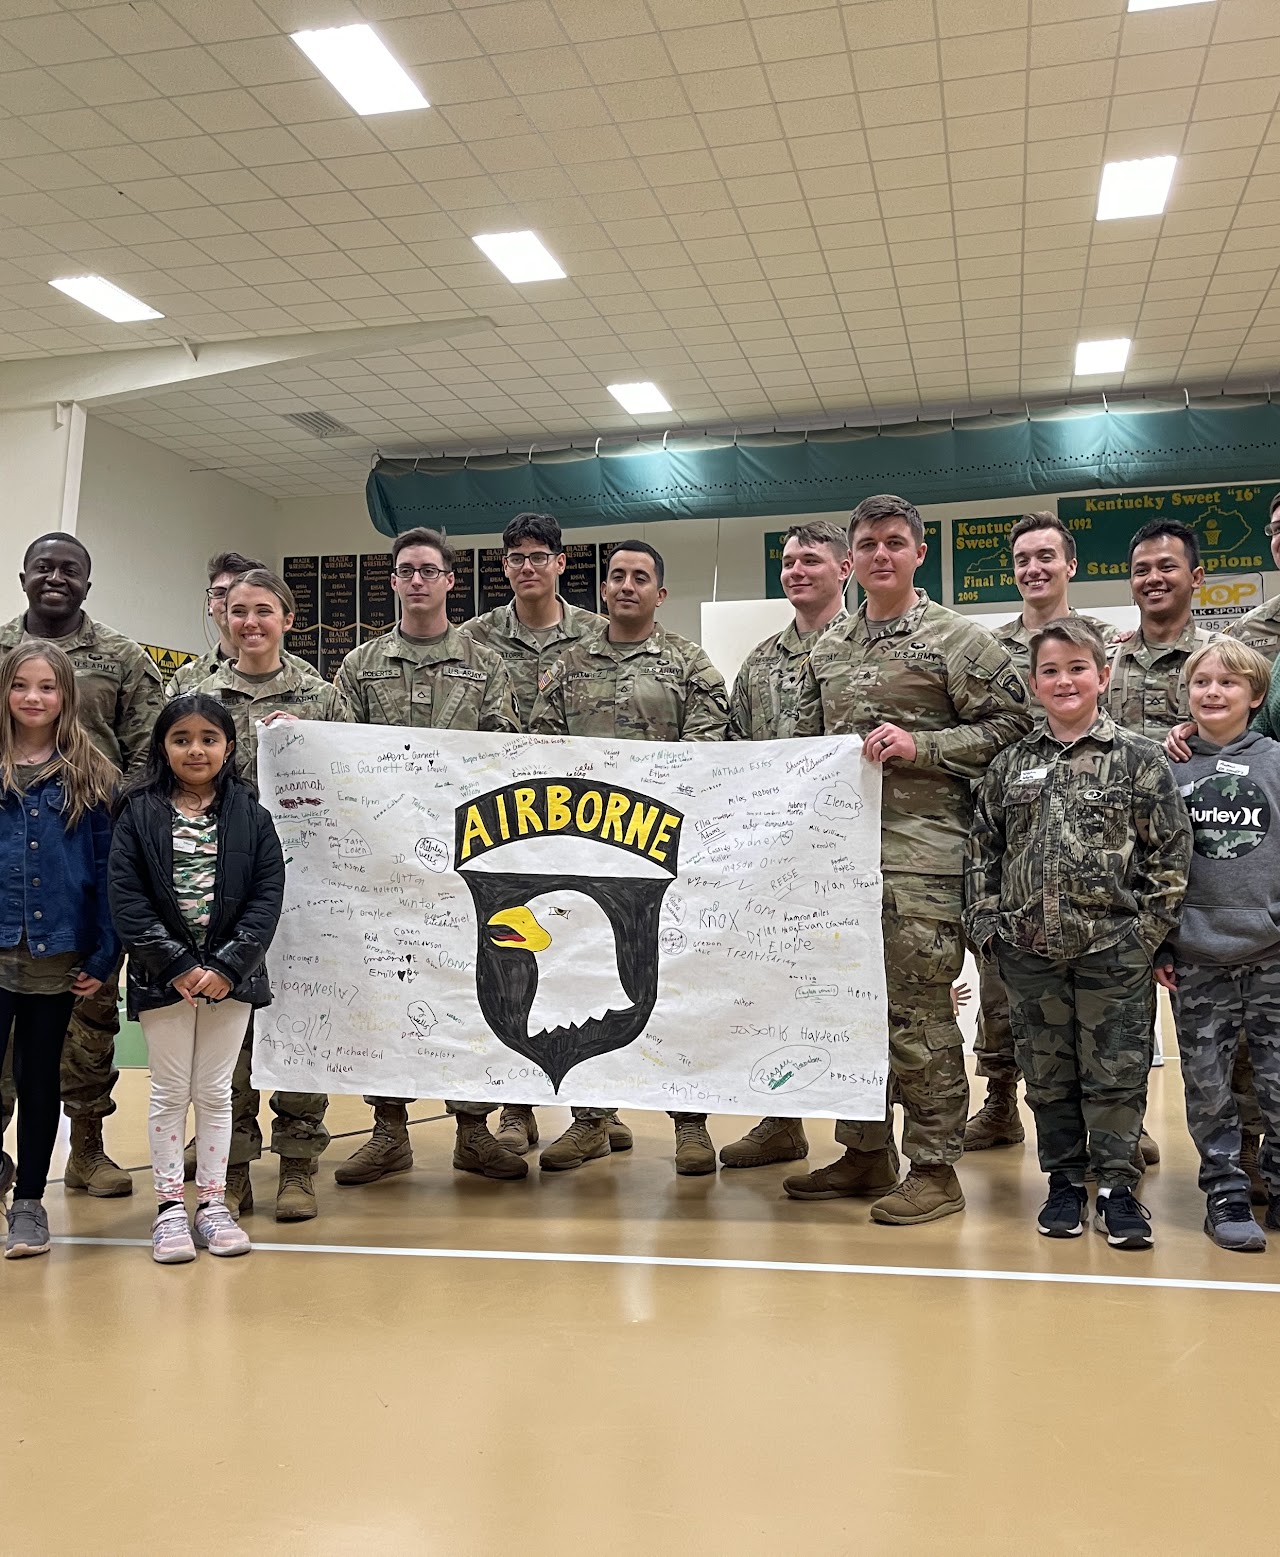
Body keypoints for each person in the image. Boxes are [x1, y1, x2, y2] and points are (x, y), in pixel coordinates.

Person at [785, 494, 1032, 1225]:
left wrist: (924, 745)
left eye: (895, 542)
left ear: (920, 553)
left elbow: (1014, 725)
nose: (880, 555)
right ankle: (865, 1150)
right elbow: (806, 751)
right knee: (849, 1013)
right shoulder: (827, 649)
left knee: (918, 1016)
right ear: (851, 558)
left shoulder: (959, 641)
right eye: (867, 543)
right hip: (841, 863)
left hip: (925, 861)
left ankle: (934, 1166)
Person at [968, 617, 1190, 1246]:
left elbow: (1169, 853)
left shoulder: (1140, 760)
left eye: (1076, 668)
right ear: (1033, 682)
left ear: (1102, 675)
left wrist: (1145, 935)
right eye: (1049, 671)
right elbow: (983, 850)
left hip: (1112, 950)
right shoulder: (1010, 765)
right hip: (1029, 951)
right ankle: (1064, 1181)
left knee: (1115, 1071)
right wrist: (990, 929)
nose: (1063, 680)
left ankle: (1119, 1188)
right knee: (1048, 1074)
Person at [334, 527, 529, 1186]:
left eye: (429, 570)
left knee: (470, 988)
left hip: (466, 858)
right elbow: (340, 758)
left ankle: (473, 1128)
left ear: (450, 581)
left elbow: (507, 755)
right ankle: (388, 1127)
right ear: (392, 581)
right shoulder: (360, 667)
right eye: (406, 570)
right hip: (385, 862)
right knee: (389, 987)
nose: (417, 580)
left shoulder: (487, 665)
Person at [530, 539, 731, 1174]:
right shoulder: (564, 668)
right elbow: (537, 748)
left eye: (640, 577)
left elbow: (707, 752)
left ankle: (690, 1123)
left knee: (671, 986)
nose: (625, 586)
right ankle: (590, 1119)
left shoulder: (689, 665)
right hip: (584, 856)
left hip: (662, 856)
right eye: (616, 576)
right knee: (588, 985)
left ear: (660, 593)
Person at [0, 532, 163, 1199]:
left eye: (70, 569)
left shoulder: (124, 658)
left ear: (87, 585)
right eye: (44, 566)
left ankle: (88, 1145)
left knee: (89, 1016)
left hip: (86, 859)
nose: (56, 577)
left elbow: (150, 752)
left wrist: (99, 800)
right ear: (24, 577)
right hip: (10, 856)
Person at [191, 568, 354, 1223]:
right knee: (226, 1034)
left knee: (299, 1027)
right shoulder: (197, 693)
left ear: (288, 618)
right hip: (220, 891)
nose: (250, 622)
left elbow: (352, 789)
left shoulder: (323, 697)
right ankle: (230, 1172)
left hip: (304, 889)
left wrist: (308, 744)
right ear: (223, 617)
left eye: (263, 610)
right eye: (238, 611)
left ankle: (297, 1165)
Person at [109, 695, 285, 1264]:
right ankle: (168, 1210)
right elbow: (127, 899)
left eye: (209, 738)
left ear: (229, 748)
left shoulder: (252, 815)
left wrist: (227, 967)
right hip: (165, 979)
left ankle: (212, 1203)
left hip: (230, 980)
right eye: (181, 738)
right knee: (167, 1093)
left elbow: (267, 896)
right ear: (163, 747)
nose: (195, 749)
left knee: (215, 1092)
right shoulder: (137, 812)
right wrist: (179, 966)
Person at [966, 513, 1119, 1155]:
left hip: (1094, 843)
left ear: (1070, 565)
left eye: (1047, 557)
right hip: (1017, 833)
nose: (1034, 568)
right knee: (1003, 986)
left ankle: (1112, 1123)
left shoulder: (1111, 642)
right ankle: (1002, 1103)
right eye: (1023, 558)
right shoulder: (989, 648)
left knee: (1100, 1003)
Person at [463, 512, 603, 1157]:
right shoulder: (475, 641)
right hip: (507, 826)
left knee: (582, 965)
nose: (527, 567)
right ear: (505, 565)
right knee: (518, 962)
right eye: (515, 557)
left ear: (561, 562)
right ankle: (517, 1108)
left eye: (538, 556)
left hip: (590, 821)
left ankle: (594, 1107)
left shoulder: (599, 637)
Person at [719, 519, 851, 1170]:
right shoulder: (760, 664)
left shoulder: (866, 649)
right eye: (788, 561)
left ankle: (869, 1143)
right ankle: (782, 1118)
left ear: (845, 569)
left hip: (852, 861)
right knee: (776, 990)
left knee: (853, 998)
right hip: (776, 862)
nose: (796, 570)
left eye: (811, 560)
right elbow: (735, 755)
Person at [1155, 639, 1280, 1251]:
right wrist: (1160, 944)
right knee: (1208, 1087)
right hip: (1196, 958)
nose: (1213, 692)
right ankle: (1225, 1192)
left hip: (1272, 955)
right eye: (1201, 682)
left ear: (1256, 696)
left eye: (1229, 683)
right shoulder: (1167, 767)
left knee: (1277, 1083)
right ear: (1186, 695)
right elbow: (1150, 861)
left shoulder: (1277, 763)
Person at [0, 644, 119, 1258]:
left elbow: (107, 873)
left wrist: (104, 955)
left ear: (66, 697)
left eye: (47, 687)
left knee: (40, 1078)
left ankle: (28, 1204)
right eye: (21, 686)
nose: (33, 699)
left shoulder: (90, 774)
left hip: (56, 956)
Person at [1107, 518, 1213, 1169]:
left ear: (1196, 576)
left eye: (1167, 567)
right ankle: (1124, 1135)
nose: (1153, 578)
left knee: (1210, 1025)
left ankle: (1233, 1154)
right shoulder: (1108, 662)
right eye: (1142, 568)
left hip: (1205, 870)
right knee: (1120, 1019)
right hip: (1123, 871)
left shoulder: (1222, 661)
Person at [169, 551, 313, 695]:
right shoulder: (186, 679)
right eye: (220, 593)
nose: (228, 601)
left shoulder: (304, 674)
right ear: (209, 604)